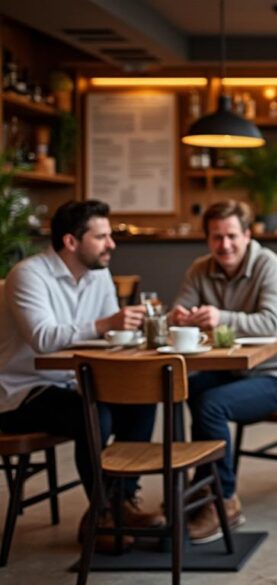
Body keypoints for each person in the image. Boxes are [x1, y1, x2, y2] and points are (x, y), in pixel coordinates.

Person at [0, 200, 162, 549]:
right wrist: (108, 324)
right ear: (71, 242)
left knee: (141, 398)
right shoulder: (28, 275)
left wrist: (125, 334)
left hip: (73, 383)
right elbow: (43, 339)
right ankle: (102, 511)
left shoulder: (99, 275)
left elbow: (105, 338)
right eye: (101, 236)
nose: (111, 244)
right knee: (91, 413)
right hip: (21, 391)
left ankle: (122, 502)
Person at [168, 200, 277, 544]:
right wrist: (179, 316)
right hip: (237, 370)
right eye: (216, 237)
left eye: (232, 235)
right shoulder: (200, 268)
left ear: (247, 235)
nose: (225, 245)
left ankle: (225, 502)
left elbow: (272, 323)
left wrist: (220, 317)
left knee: (211, 405)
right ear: (207, 239)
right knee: (186, 389)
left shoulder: (268, 263)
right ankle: (206, 486)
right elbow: (181, 306)